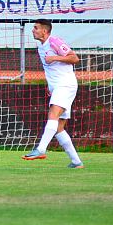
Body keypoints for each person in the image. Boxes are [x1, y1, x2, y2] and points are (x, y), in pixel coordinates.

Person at [22, 19, 84, 168]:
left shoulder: (54, 41)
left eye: (36, 28)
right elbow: (51, 70)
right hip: (58, 88)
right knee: (58, 127)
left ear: (45, 31)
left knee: (52, 115)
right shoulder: (40, 46)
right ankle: (76, 161)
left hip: (66, 85)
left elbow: (75, 58)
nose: (33, 30)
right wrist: (51, 87)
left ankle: (41, 149)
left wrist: (55, 57)